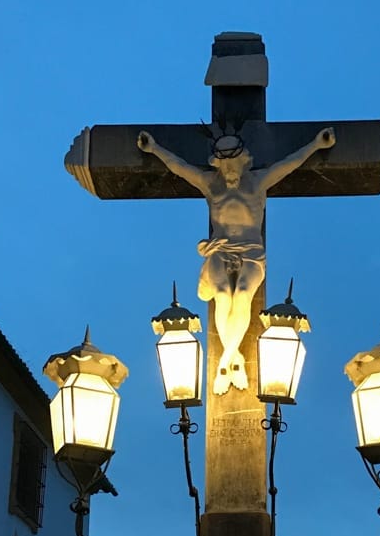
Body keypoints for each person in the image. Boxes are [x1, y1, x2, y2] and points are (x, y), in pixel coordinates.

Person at [138, 126, 336, 394]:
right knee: (222, 293)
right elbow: (179, 167)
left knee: (241, 293)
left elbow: (289, 164)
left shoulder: (258, 183)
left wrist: (316, 145)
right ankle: (234, 360)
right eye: (225, 167)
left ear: (244, 163)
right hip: (220, 249)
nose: (230, 173)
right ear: (217, 165)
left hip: (252, 251)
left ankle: (226, 360)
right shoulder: (211, 184)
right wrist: (153, 149)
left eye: (234, 166)